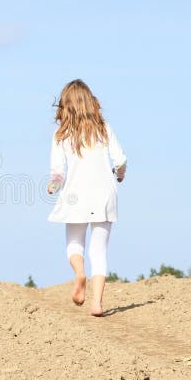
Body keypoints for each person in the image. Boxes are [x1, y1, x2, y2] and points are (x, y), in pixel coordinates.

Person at [48, 80, 127, 317]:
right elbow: (120, 160)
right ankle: (97, 304)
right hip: (104, 194)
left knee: (74, 243)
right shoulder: (104, 129)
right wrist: (120, 175)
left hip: (75, 195)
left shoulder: (61, 135)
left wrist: (53, 186)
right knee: (99, 250)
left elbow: (57, 173)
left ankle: (80, 273)